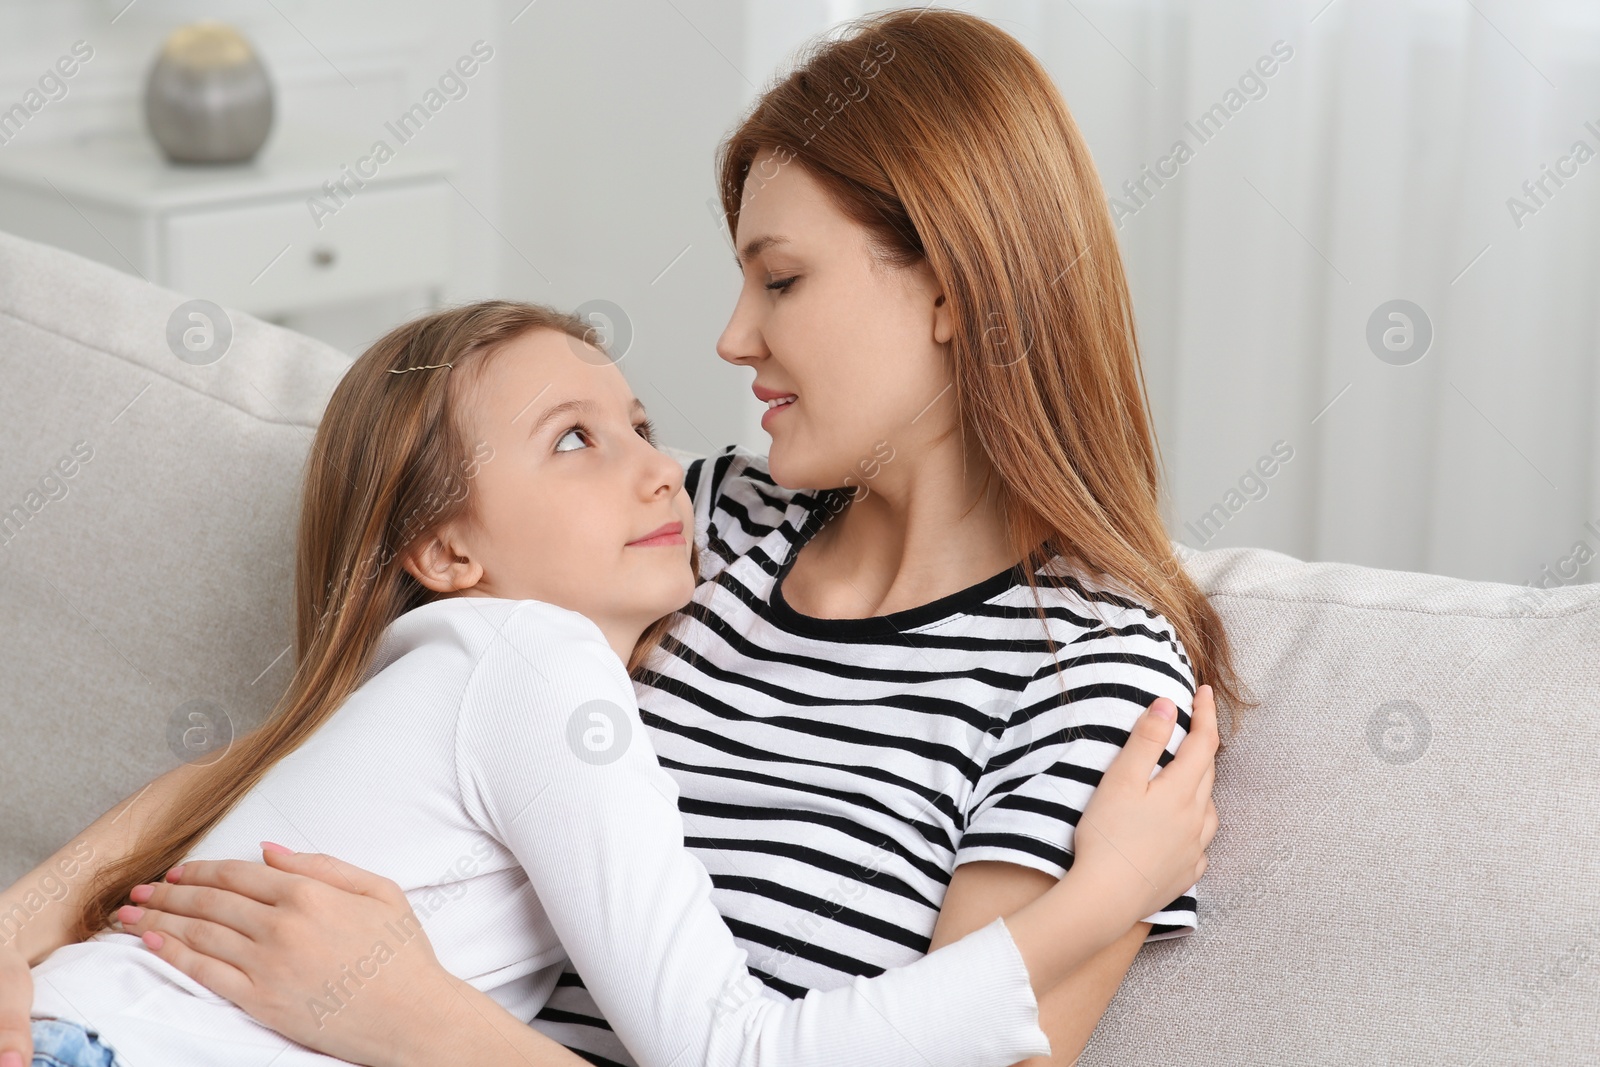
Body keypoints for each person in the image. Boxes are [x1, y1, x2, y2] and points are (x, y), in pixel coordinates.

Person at [1, 9, 1247, 1066]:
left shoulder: (1093, 681)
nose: (731, 338)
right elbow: (305, 742)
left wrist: (423, 1022)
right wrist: (23, 925)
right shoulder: (691, 528)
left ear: (951, 287)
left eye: (782, 279)